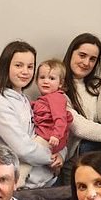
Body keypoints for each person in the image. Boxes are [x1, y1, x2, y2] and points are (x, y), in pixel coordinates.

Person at [0, 41, 63, 189]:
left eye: (30, 66)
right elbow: (22, 148)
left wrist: (60, 156)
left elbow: (45, 132)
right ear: (6, 66)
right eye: (18, 65)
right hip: (18, 184)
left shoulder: (25, 99)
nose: (25, 72)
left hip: (44, 180)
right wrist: (50, 158)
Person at [60, 33, 101, 184]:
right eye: (82, 55)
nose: (86, 63)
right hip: (74, 159)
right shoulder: (57, 87)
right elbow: (78, 127)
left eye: (92, 59)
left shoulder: (99, 85)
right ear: (71, 53)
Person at [18, 59, 72, 188]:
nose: (46, 81)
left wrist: (56, 135)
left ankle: (19, 180)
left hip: (48, 136)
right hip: (46, 135)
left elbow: (61, 118)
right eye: (42, 77)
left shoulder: (57, 97)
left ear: (60, 83)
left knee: (27, 154)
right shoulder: (44, 99)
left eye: (52, 78)